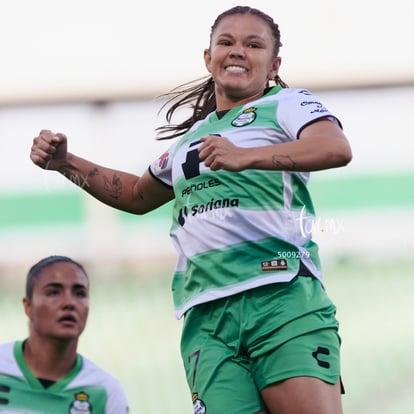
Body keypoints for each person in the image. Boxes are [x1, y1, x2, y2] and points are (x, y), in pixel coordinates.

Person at [30, 5, 352, 414]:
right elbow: (135, 194)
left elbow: (335, 148)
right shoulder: (192, 140)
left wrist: (247, 157)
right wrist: (65, 163)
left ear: (274, 65)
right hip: (206, 320)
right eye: (227, 42)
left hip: (281, 297)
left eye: (253, 45)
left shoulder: (287, 104)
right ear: (208, 57)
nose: (238, 51)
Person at [0, 255, 129, 413]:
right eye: (54, 292)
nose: (69, 303)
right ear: (28, 307)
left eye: (80, 293)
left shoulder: (105, 392)